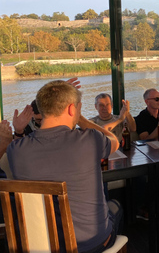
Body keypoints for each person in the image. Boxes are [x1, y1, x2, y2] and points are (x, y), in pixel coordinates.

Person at [6, 80, 123, 253]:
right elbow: (115, 141)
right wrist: (80, 118)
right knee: (115, 206)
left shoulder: (15, 150)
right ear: (71, 109)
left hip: (40, 245)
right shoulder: (90, 141)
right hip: (90, 244)